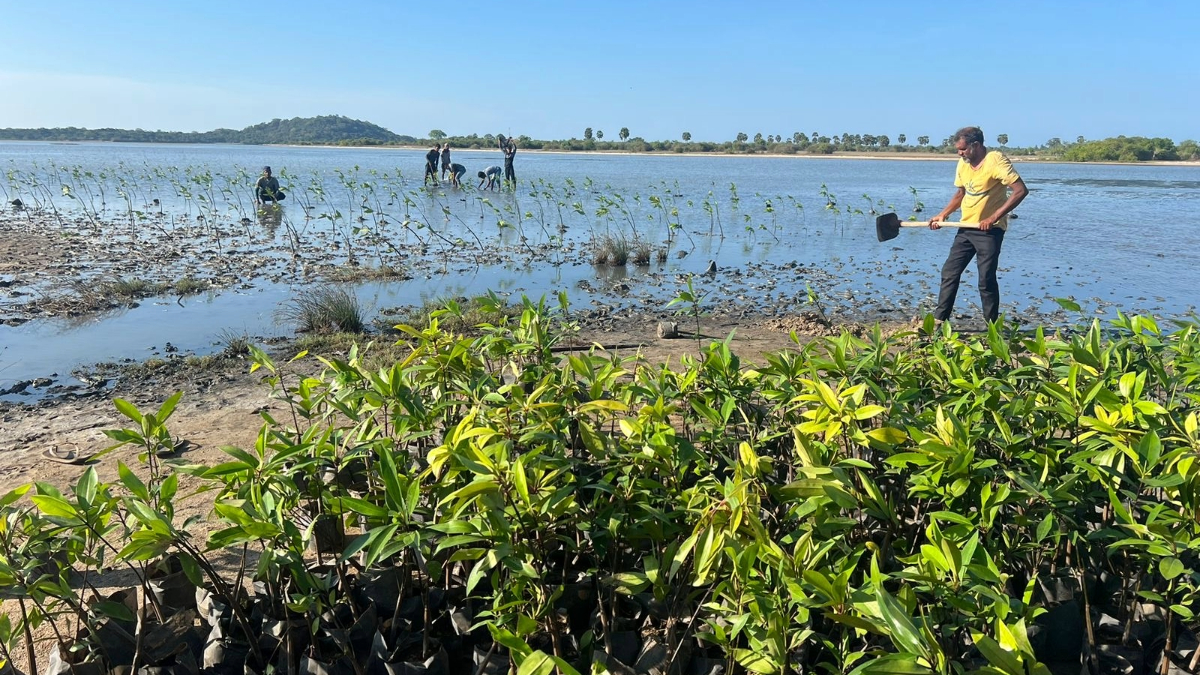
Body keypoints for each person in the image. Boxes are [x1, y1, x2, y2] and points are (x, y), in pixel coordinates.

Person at [929, 126, 1029, 325]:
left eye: (963, 149)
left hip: (989, 231)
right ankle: (939, 321)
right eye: (958, 149)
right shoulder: (963, 164)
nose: (960, 153)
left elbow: (1020, 191)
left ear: (976, 145)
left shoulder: (995, 161)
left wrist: (993, 217)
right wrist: (943, 215)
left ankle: (992, 327)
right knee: (949, 272)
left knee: (986, 280)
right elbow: (960, 194)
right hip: (966, 228)